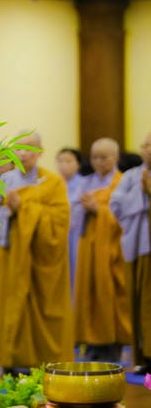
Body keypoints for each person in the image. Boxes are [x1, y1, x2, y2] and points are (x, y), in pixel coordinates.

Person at [0, 131, 74, 372]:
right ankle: (13, 361)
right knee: (13, 304)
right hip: (13, 257)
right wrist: (9, 212)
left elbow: (61, 219)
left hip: (43, 260)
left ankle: (48, 362)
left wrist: (23, 207)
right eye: (18, 148)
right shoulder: (4, 180)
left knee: (46, 308)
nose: (22, 153)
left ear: (40, 153)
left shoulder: (53, 182)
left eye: (29, 148)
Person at [71, 137, 131, 362]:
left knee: (110, 294)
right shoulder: (86, 183)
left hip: (112, 249)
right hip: (88, 246)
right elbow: (73, 216)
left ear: (115, 158)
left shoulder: (123, 182)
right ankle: (91, 342)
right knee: (87, 293)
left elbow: (127, 216)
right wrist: (82, 208)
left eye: (104, 157)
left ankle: (112, 344)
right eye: (95, 157)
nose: (98, 162)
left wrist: (99, 210)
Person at [109, 131, 151, 374]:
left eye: (150, 145)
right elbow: (115, 204)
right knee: (137, 302)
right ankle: (143, 357)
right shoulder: (131, 176)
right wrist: (142, 193)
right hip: (137, 245)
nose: (147, 149)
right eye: (144, 145)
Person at [57, 146, 86, 290]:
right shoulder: (52, 184)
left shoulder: (85, 184)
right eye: (60, 161)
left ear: (78, 164)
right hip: (57, 234)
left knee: (76, 270)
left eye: (69, 161)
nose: (64, 165)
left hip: (77, 234)